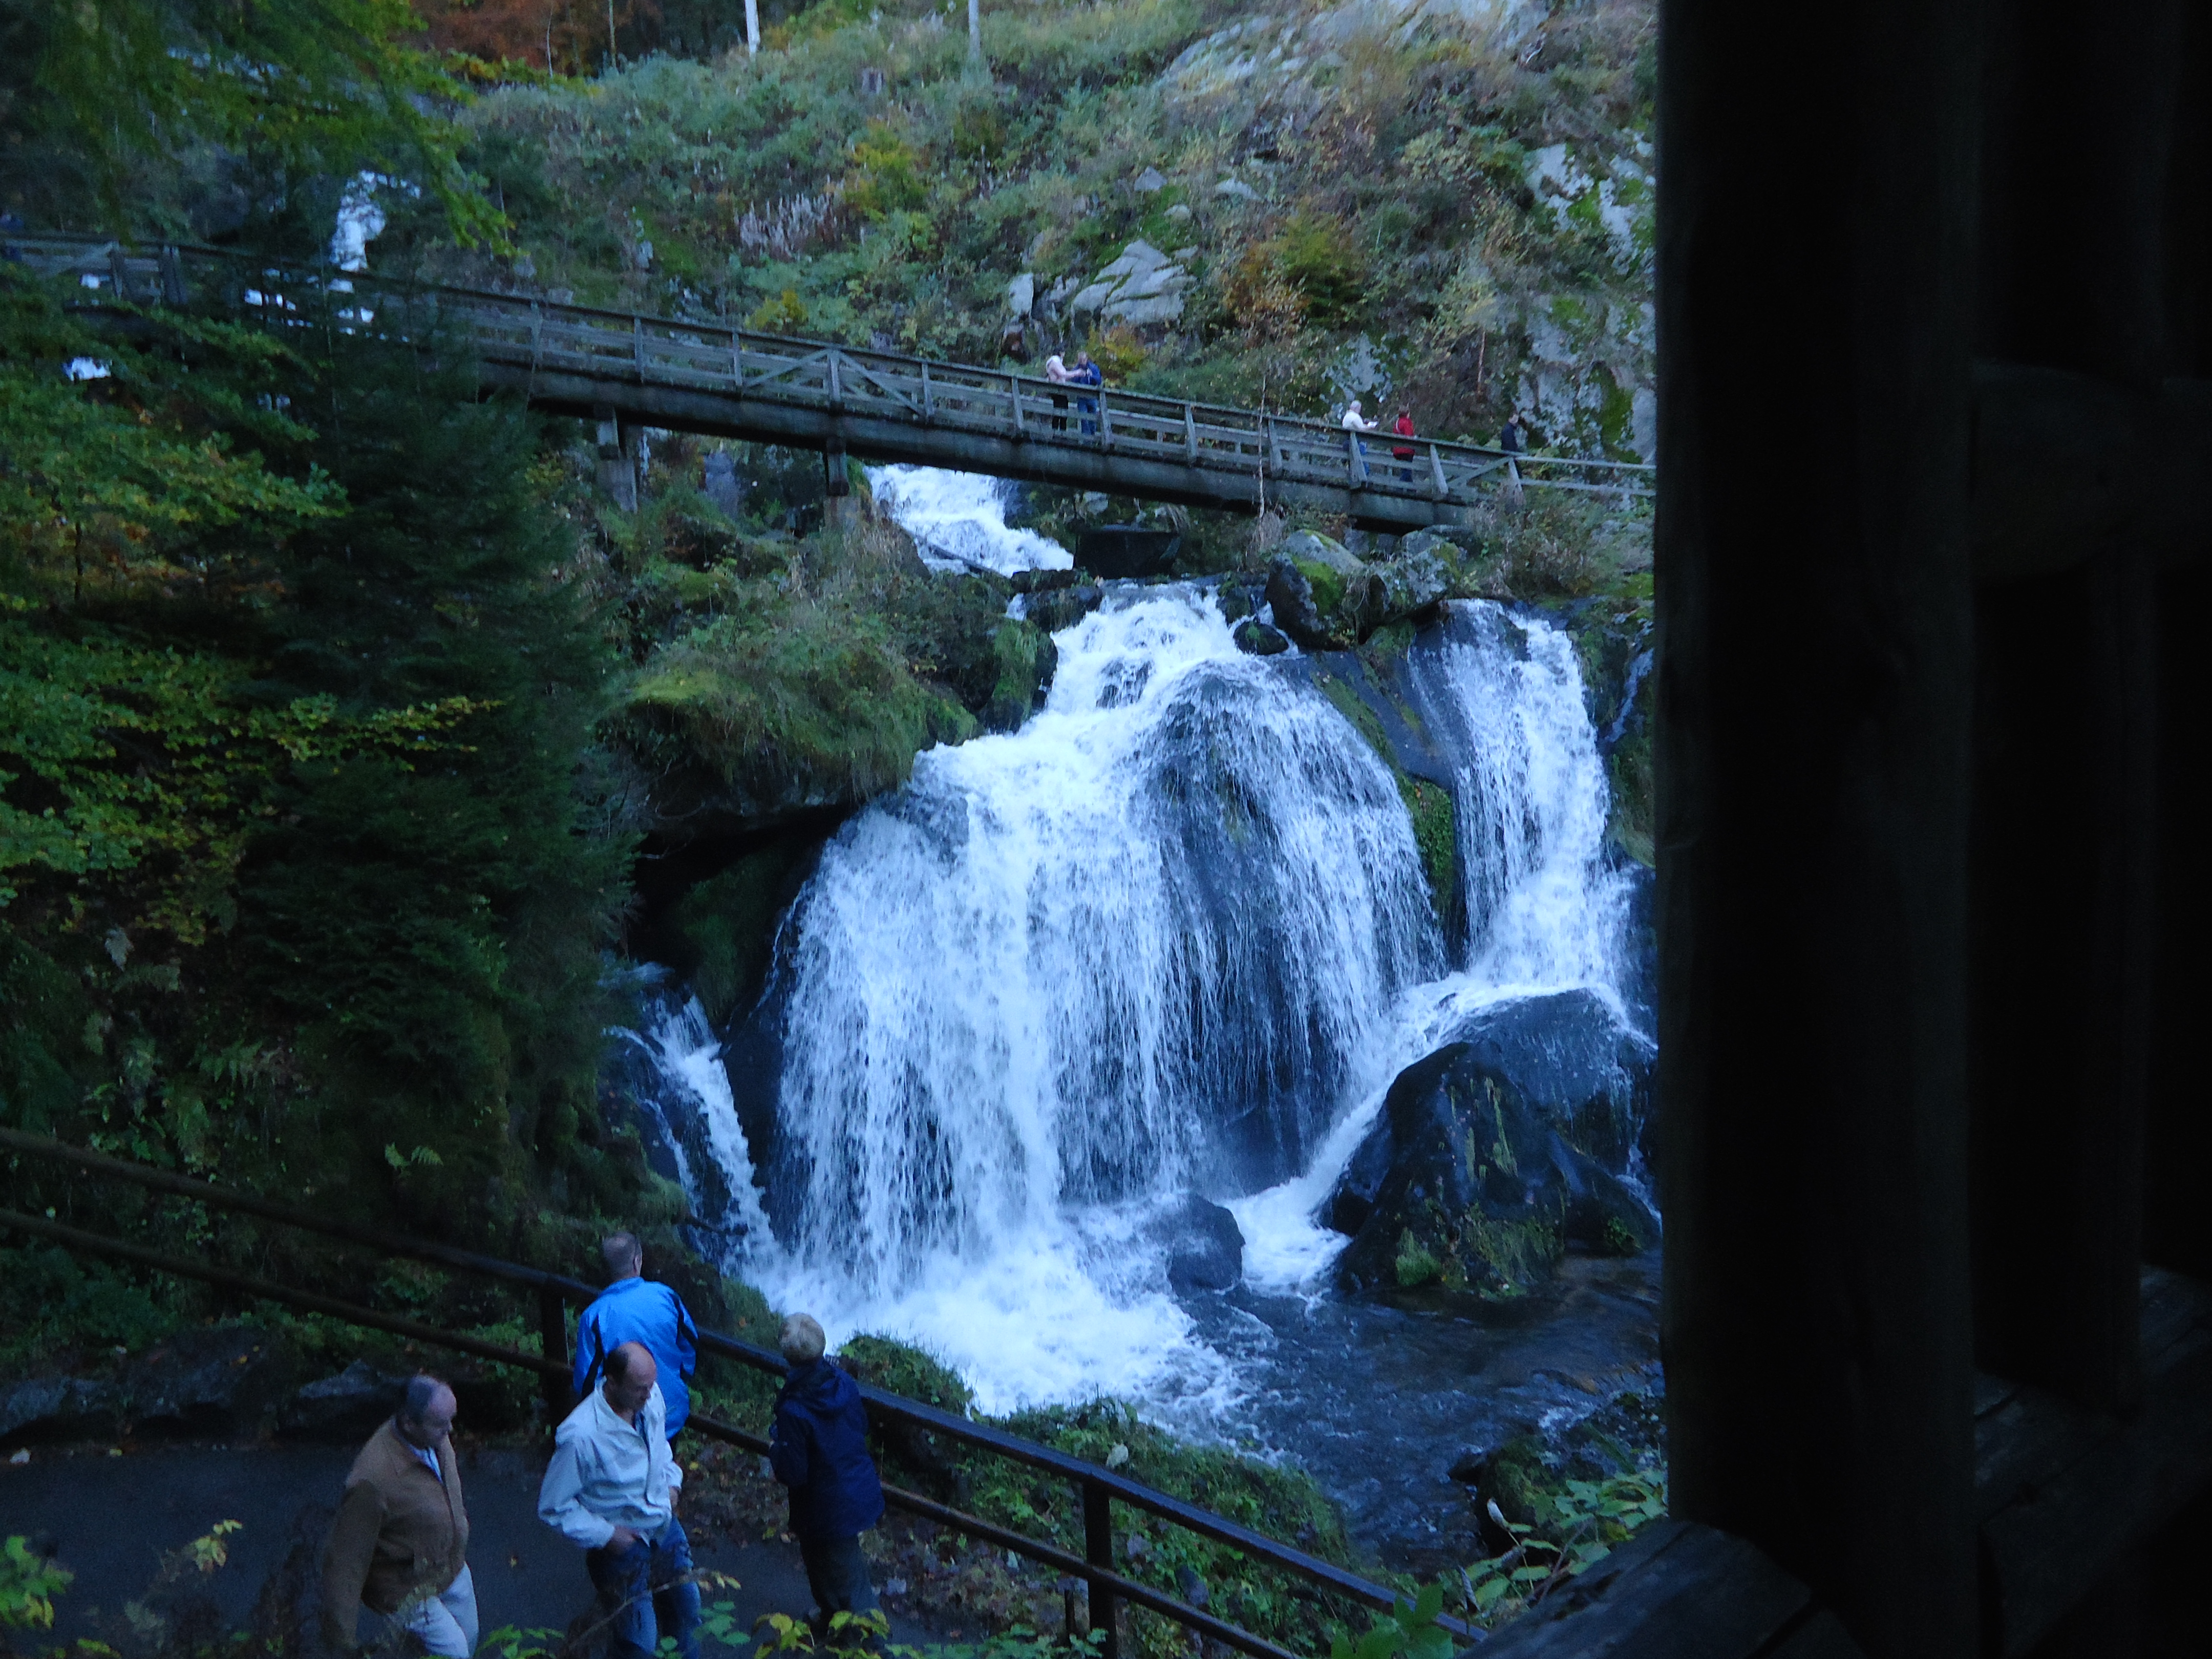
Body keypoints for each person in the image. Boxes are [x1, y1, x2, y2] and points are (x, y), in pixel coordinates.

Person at [539, 1342, 699, 1659]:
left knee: (688, 1610)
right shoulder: (581, 1436)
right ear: (611, 1382)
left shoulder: (649, 1399)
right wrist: (609, 1536)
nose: (650, 1394)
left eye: (652, 1385)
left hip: (663, 1526)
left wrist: (673, 1483)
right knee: (638, 1642)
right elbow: (553, 1507)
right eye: (640, 1388)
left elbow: (660, 1448)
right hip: (623, 1548)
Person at [320, 1374, 476, 1657]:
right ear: (408, 1423)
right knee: (456, 1653)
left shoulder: (435, 1438)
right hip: (407, 1588)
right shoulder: (372, 1480)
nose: (450, 1431)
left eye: (451, 1420)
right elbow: (346, 1560)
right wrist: (342, 1642)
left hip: (450, 1564)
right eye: (441, 1424)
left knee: (471, 1638)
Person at [769, 1314, 885, 1633]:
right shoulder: (842, 1382)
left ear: (788, 1355)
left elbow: (794, 1472)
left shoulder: (794, 1408)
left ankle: (874, 1644)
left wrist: (776, 1449)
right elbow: (860, 1425)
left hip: (825, 1504)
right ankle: (833, 1620)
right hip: (853, 1487)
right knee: (823, 1563)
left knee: (850, 1581)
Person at [573, 1231, 699, 1441]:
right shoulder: (666, 1296)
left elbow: (586, 1383)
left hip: (623, 1426)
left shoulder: (594, 1317)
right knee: (665, 1459)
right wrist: (679, 1377)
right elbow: (690, 1344)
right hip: (670, 1413)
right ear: (637, 1261)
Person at [1072, 350, 1102, 436]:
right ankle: (1087, 439)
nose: (1082, 362)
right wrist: (1080, 375)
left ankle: (1093, 437)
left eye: (1084, 360)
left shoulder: (1094, 368)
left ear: (1087, 359)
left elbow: (1099, 381)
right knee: (1084, 419)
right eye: (1081, 360)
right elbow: (1073, 381)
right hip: (1082, 398)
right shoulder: (1077, 369)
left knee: (1093, 419)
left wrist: (1091, 376)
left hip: (1092, 397)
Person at [1044, 352, 1072, 432]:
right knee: (1061, 412)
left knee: (1061, 412)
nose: (1064, 354)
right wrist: (1077, 373)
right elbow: (1062, 374)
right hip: (1058, 391)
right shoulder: (1055, 361)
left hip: (1058, 391)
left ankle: (1058, 432)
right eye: (1063, 352)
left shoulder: (1054, 361)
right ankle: (1059, 432)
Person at [1391, 407, 1417, 483]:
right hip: (1406, 450)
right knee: (1407, 471)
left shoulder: (1397, 422)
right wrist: (1415, 438)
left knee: (1405, 470)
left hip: (1398, 450)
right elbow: (1408, 436)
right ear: (1407, 414)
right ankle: (1399, 487)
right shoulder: (1406, 423)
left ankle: (1411, 488)